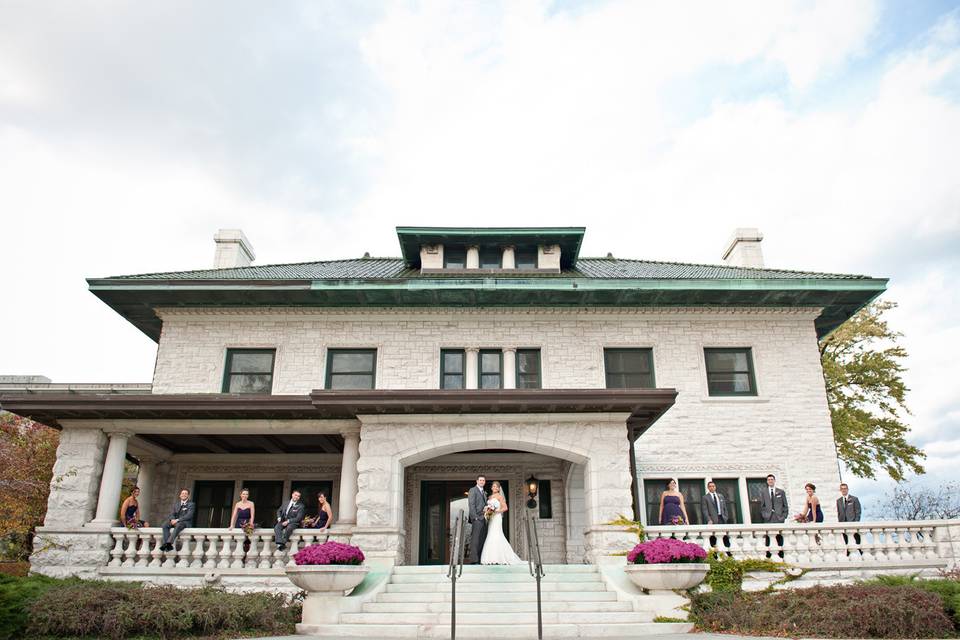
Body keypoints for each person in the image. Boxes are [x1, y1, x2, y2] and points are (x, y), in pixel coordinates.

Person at [480, 481, 524, 565]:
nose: (495, 488)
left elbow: (505, 508)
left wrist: (496, 511)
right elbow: (488, 508)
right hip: (491, 518)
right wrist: (487, 510)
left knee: (497, 534)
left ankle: (501, 557)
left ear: (499, 488)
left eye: (496, 486)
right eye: (493, 486)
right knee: (491, 534)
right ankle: (491, 558)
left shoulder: (500, 497)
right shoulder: (489, 497)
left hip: (497, 517)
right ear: (491, 487)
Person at [759, 474, 787, 558]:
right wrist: (765, 515)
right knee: (768, 536)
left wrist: (784, 516)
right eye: (769, 480)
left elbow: (785, 505)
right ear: (767, 481)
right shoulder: (763, 492)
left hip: (779, 517)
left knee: (779, 536)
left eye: (772, 479)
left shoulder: (781, 492)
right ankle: (769, 555)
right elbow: (762, 506)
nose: (770, 481)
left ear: (774, 480)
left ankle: (781, 554)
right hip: (768, 517)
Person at [701, 481, 730, 552]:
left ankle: (728, 552)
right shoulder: (705, 497)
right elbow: (705, 510)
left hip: (722, 518)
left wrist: (725, 517)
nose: (712, 487)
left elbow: (725, 508)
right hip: (713, 520)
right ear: (708, 487)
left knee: (724, 536)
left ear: (715, 487)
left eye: (713, 486)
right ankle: (715, 555)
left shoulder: (720, 496)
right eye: (710, 486)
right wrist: (709, 519)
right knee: (713, 537)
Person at [467, 474, 488, 563]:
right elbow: (471, 505)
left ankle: (479, 558)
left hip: (484, 518)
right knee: (475, 539)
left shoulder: (484, 492)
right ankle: (473, 560)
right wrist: (475, 517)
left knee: (481, 539)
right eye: (480, 480)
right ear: (477, 481)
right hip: (477, 518)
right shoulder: (473, 490)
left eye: (483, 480)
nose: (482, 482)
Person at [837, 483, 863, 554]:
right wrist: (840, 523)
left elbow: (858, 511)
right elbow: (839, 513)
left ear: (847, 489)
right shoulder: (838, 501)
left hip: (853, 523)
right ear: (840, 490)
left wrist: (856, 522)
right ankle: (848, 554)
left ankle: (862, 553)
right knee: (846, 541)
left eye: (845, 488)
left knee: (857, 540)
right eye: (842, 489)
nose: (843, 490)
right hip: (843, 524)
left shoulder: (854, 499)